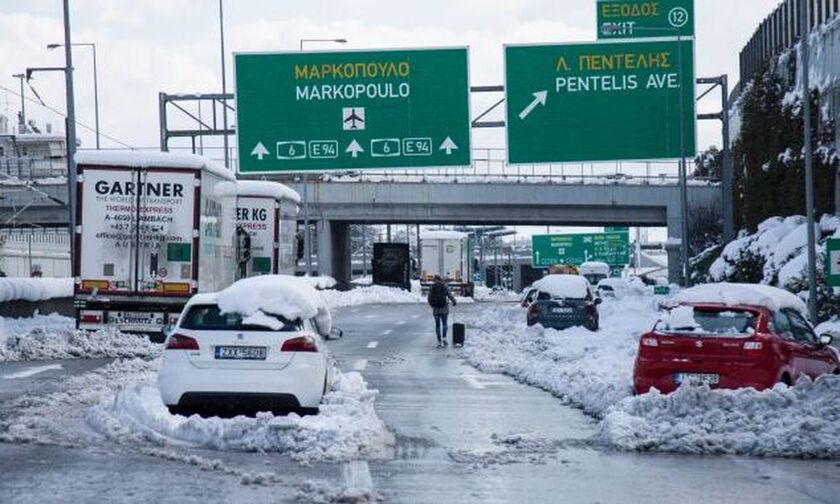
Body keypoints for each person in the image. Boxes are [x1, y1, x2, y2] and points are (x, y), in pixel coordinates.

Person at [427, 275, 456, 347]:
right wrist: (454, 301)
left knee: (437, 325)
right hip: (444, 308)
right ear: (440, 279)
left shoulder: (432, 287)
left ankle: (439, 340)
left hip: (436, 309)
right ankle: (444, 337)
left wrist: (432, 305)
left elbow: (429, 298)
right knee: (444, 324)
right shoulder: (444, 286)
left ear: (434, 280)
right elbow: (449, 295)